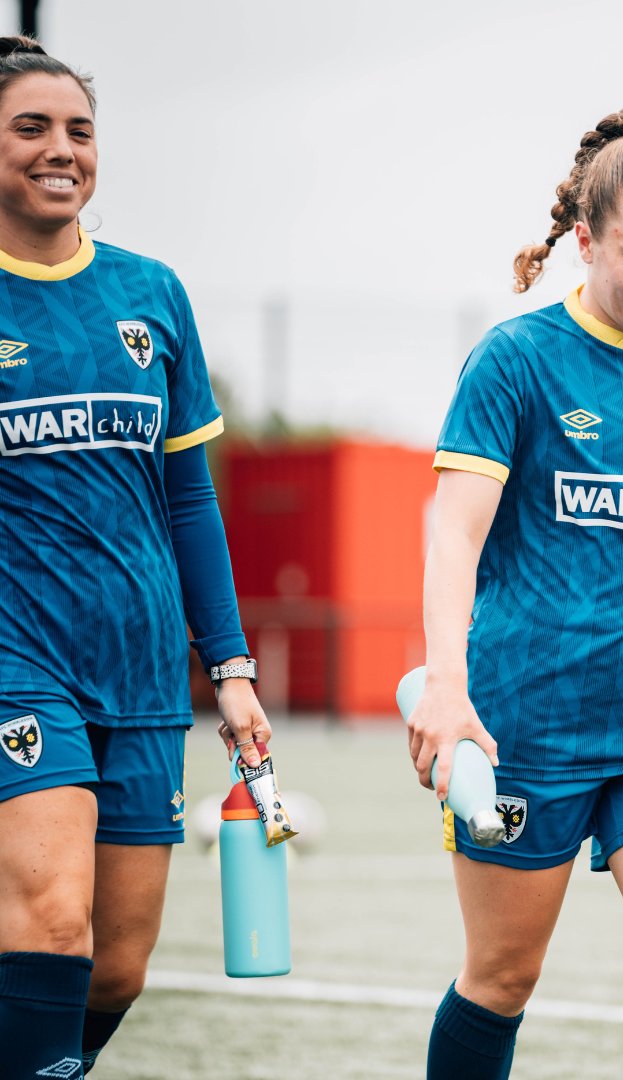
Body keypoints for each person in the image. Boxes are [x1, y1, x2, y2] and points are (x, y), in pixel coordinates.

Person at [406, 106, 623, 1079]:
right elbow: (455, 537)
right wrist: (449, 686)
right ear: (585, 238)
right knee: (502, 977)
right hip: (527, 728)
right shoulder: (516, 360)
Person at [0, 36, 270, 1077]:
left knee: (115, 970)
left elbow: (191, 500)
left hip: (147, 668)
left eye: (78, 129)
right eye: (31, 127)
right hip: (22, 661)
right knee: (53, 928)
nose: (61, 148)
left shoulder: (151, 295)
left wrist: (232, 668)